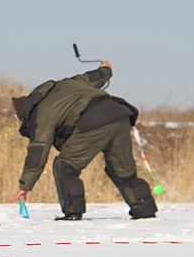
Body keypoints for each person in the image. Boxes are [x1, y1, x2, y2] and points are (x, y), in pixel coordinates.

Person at [9, 61, 157, 221]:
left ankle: (73, 212)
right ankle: (144, 211)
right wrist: (105, 68)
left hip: (94, 121)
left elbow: (38, 150)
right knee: (122, 170)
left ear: (25, 113)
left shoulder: (41, 112)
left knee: (65, 165)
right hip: (119, 114)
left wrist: (25, 185)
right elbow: (96, 76)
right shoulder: (67, 84)